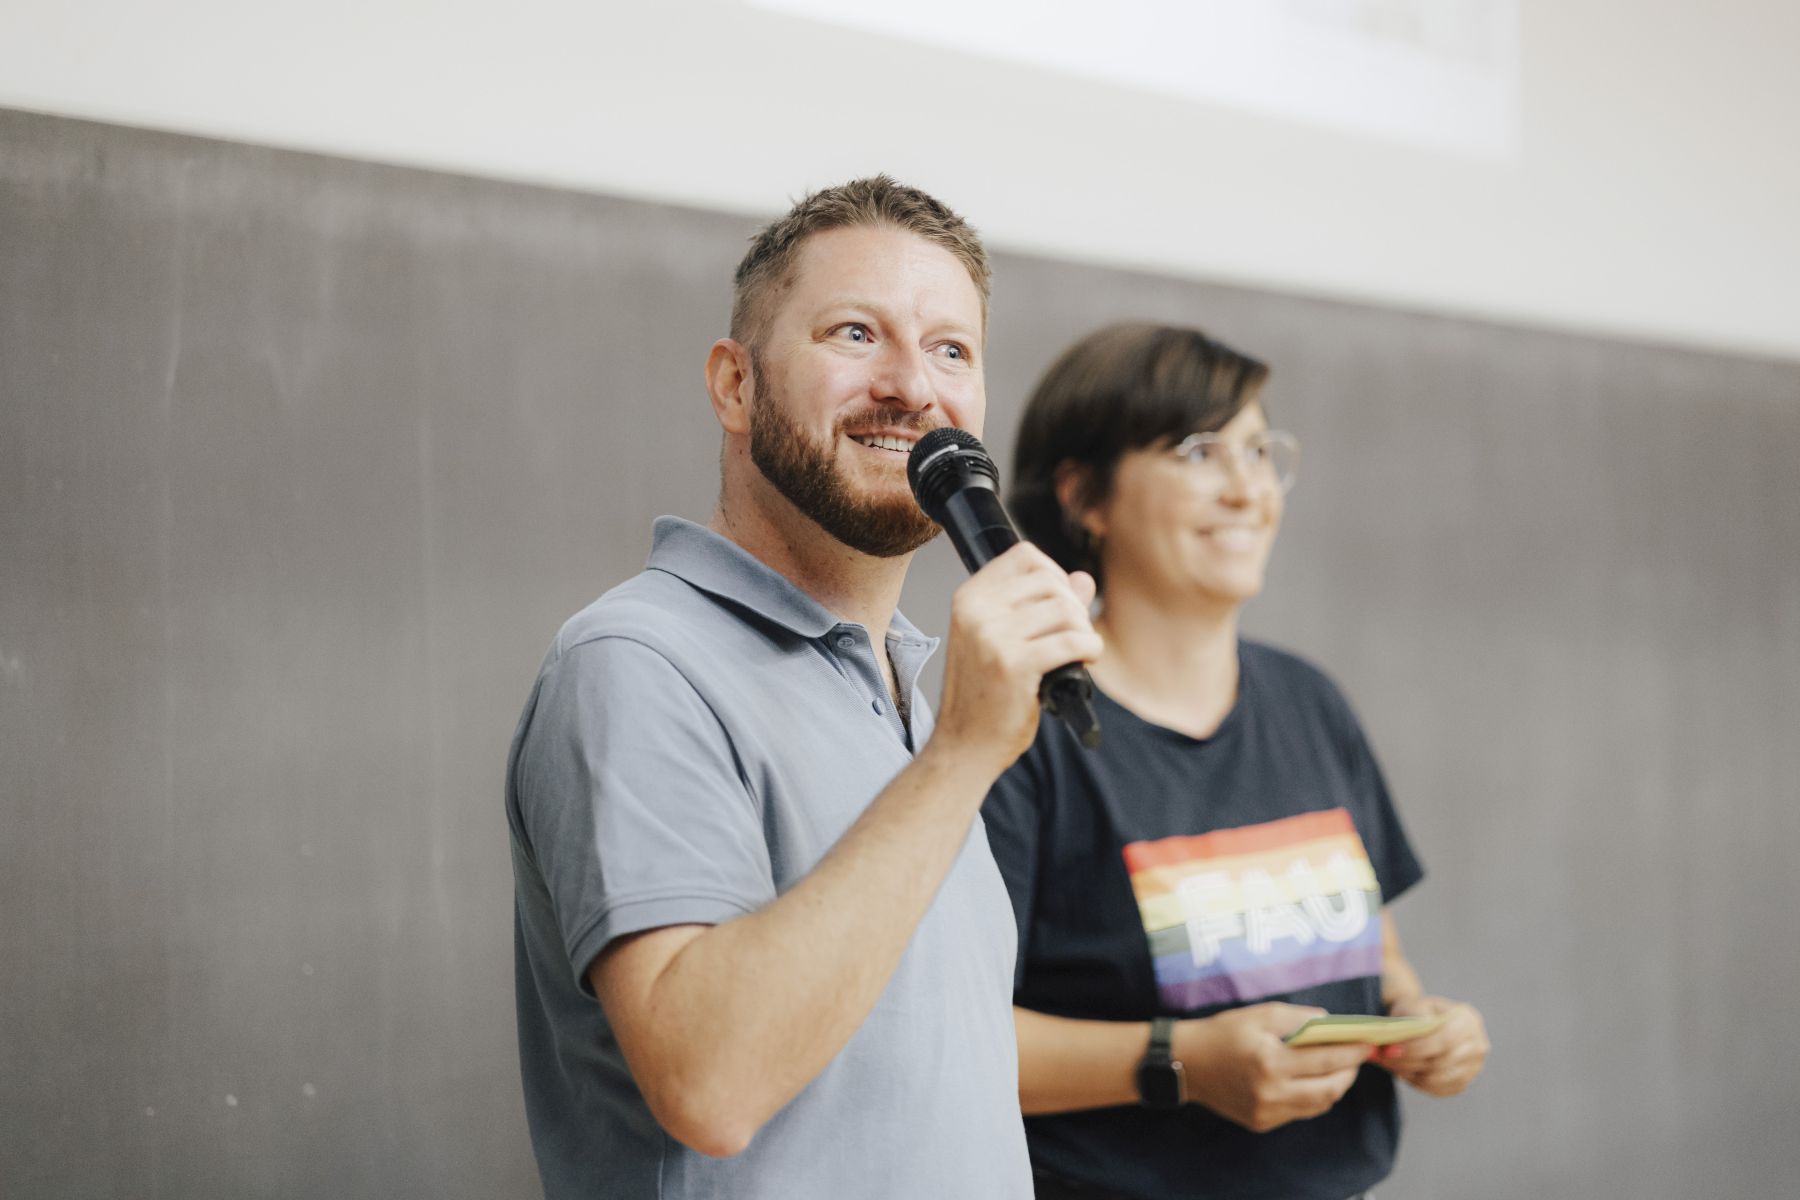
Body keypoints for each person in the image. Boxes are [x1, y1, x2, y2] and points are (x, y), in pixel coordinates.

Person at [503, 177, 1102, 1199]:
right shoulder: (636, 664)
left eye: (952, 349)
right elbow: (711, 1083)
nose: (914, 388)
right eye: (855, 333)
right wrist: (961, 757)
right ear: (735, 385)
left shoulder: (919, 685)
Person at [983, 323, 1490, 1200]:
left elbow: (1374, 948)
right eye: (1199, 452)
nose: (1246, 488)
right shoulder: (1015, 730)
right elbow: (948, 1036)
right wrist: (1176, 1062)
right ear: (1084, 499)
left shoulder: (1309, 702)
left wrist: (1414, 1017)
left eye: (1260, 452)